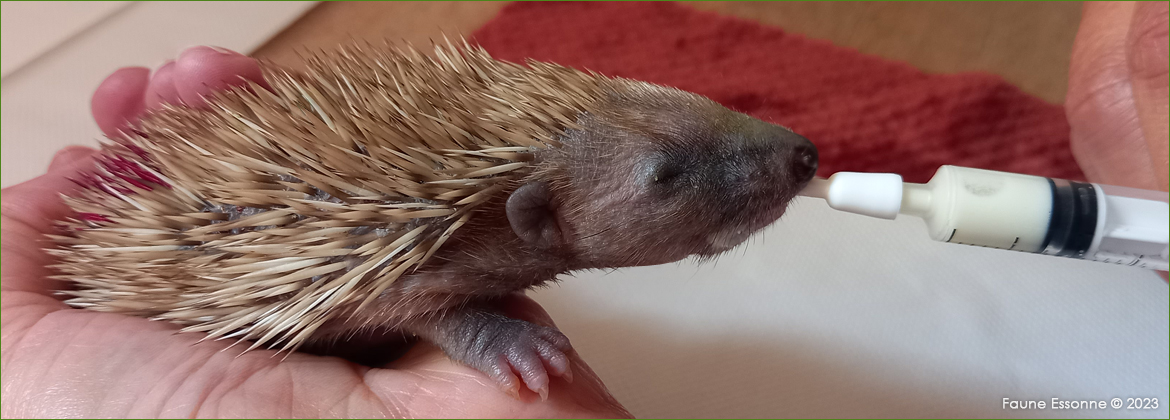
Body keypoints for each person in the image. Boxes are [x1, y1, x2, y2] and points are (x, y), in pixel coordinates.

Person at [2, 2, 1165, 417]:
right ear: (531, 219)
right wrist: (474, 323)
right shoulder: (428, 255)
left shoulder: (492, 219)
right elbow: (397, 287)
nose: (785, 156)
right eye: (672, 176)